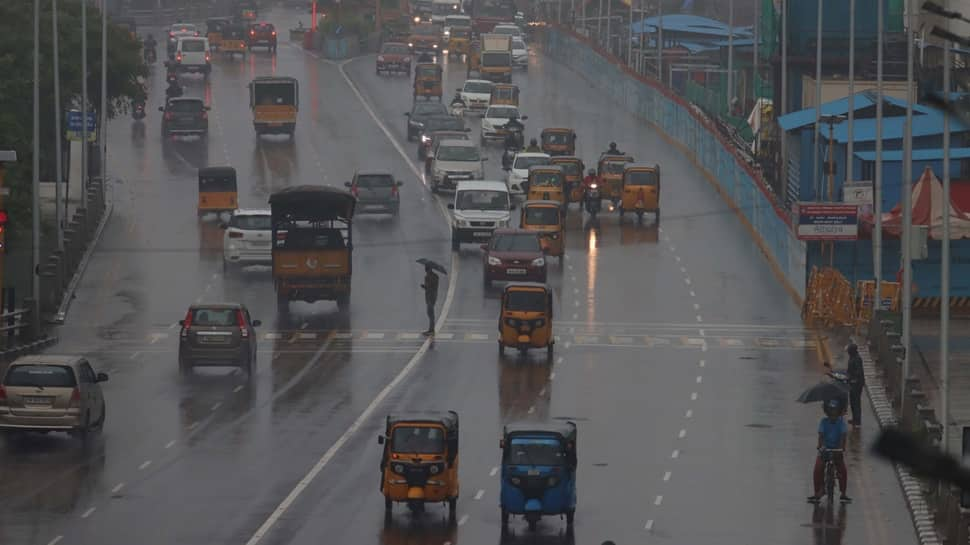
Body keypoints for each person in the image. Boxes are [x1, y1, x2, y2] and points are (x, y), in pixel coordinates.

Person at [808, 398, 850, 504]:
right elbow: (821, 436)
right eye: (831, 410)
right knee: (818, 469)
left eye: (835, 410)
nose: (833, 412)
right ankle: (818, 492)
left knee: (842, 470)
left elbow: (843, 436)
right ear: (827, 410)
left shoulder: (841, 423)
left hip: (837, 450)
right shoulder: (823, 422)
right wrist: (820, 446)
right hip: (825, 450)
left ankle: (843, 493)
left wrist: (841, 448)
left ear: (838, 411)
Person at [846, 343, 864, 426]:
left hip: (856, 384)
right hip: (851, 383)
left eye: (849, 351)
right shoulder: (852, 357)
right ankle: (854, 418)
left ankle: (858, 421)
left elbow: (858, 372)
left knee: (856, 402)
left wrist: (853, 378)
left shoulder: (857, 359)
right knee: (852, 402)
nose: (848, 352)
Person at [421, 264, 439, 336]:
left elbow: (431, 287)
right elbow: (429, 287)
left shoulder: (432, 277)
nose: (426, 271)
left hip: (431, 296)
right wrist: (425, 286)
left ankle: (431, 330)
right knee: (429, 313)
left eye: (426, 269)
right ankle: (431, 329)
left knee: (431, 313)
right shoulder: (432, 276)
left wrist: (426, 286)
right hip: (430, 296)